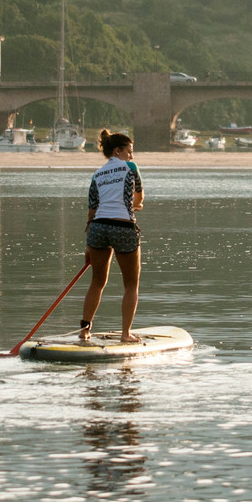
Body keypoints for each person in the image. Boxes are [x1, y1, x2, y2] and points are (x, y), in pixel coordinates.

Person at [79, 129, 144, 343]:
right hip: (123, 226)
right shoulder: (130, 167)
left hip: (97, 228)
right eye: (129, 151)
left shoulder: (97, 175)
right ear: (118, 150)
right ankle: (126, 334)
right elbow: (138, 199)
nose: (131, 156)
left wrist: (88, 245)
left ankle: (85, 330)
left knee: (97, 282)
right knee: (131, 284)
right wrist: (138, 205)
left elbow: (92, 210)